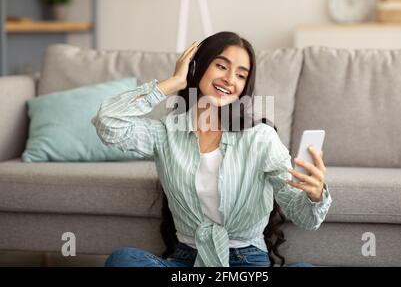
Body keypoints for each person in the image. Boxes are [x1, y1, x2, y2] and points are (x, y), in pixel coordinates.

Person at [92, 31, 332, 267]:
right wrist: (173, 82)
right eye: (221, 66)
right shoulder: (166, 133)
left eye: (241, 74)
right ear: (198, 67)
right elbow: (108, 121)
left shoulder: (260, 137)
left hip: (246, 261)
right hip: (188, 259)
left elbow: (306, 219)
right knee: (124, 260)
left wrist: (314, 195)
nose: (230, 79)